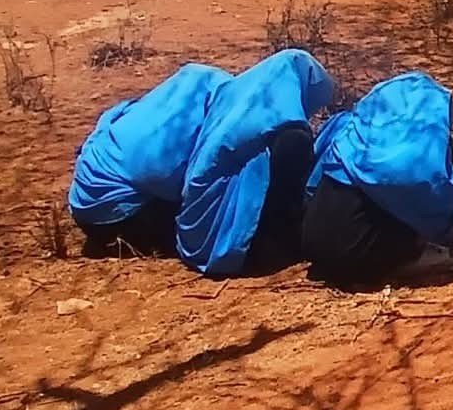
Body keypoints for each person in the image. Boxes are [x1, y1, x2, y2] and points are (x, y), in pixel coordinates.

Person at [301, 72, 453, 288]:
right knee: (449, 255)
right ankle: (406, 261)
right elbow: (437, 209)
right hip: (357, 258)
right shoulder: (417, 158)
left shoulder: (347, 132)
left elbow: (311, 186)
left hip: (313, 244)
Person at [176, 49, 335, 278]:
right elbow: (288, 204)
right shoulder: (290, 134)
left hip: (192, 237)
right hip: (237, 247)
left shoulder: (229, 108)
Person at [69, 62, 231, 256]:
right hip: (115, 217)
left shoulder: (143, 111)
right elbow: (185, 191)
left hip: (80, 205)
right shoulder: (167, 147)